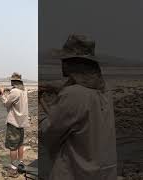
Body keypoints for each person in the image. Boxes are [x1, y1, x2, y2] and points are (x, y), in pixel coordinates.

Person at [40, 34, 117, 180]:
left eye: (64, 60)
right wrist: (55, 89)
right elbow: (82, 104)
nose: (62, 64)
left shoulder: (73, 94)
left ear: (72, 63)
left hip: (76, 173)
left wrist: (41, 116)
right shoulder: (104, 89)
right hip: (103, 173)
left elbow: (48, 133)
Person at [0, 72, 30, 178]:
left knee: (13, 147)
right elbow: (14, 98)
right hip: (22, 122)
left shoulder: (15, 91)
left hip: (14, 122)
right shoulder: (23, 90)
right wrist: (7, 91)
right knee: (20, 144)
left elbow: (6, 104)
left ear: (13, 81)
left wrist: (2, 94)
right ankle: (20, 164)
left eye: (11, 81)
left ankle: (13, 169)